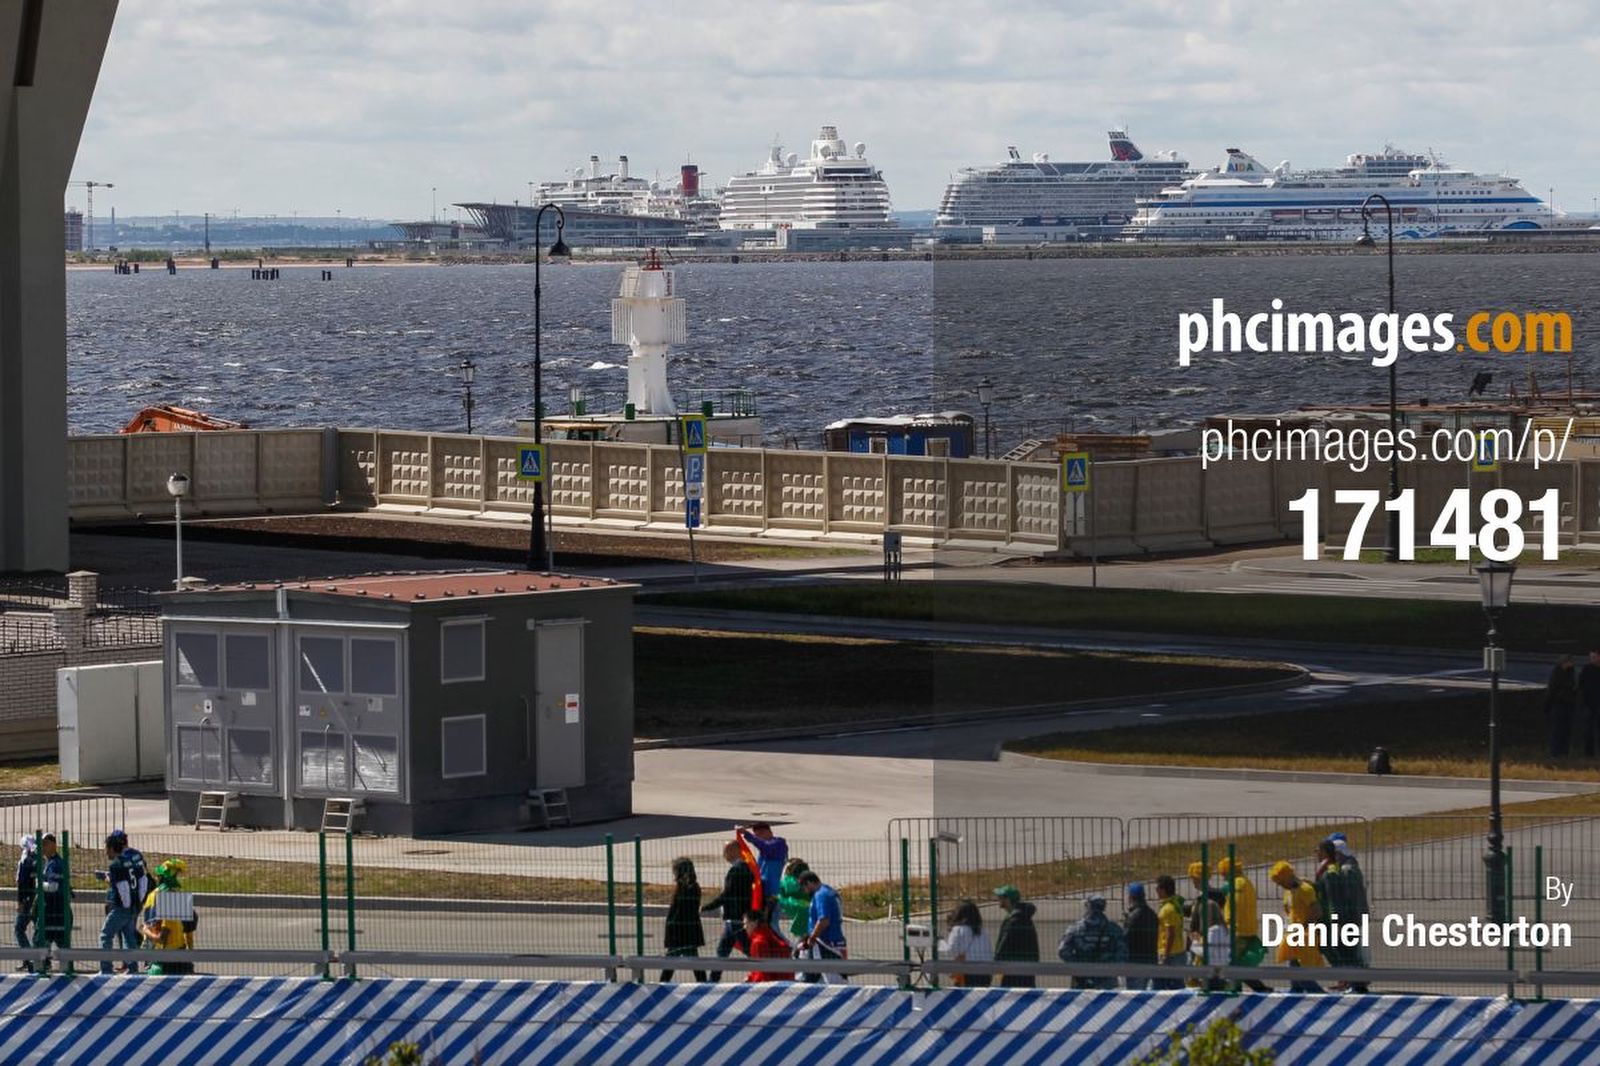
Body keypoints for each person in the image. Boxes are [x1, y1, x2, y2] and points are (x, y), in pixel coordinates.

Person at [1315, 837, 1370, 994]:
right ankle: (1348, 981)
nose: (1316, 853)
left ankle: (1355, 983)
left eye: (1318, 850)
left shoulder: (1332, 872)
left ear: (1325, 852)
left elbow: (1335, 898)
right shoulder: (1330, 869)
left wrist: (1338, 921)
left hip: (1337, 919)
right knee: (1339, 950)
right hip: (1335, 918)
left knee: (1344, 951)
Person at [699, 842, 754, 982]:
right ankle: (713, 980)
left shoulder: (736, 871)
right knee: (723, 951)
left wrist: (707, 907)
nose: (724, 855)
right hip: (735, 919)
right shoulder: (746, 868)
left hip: (736, 918)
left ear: (734, 851)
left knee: (748, 951)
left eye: (726, 851)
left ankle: (765, 975)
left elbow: (727, 895)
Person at [1214, 856, 1270, 992]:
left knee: (1232, 963)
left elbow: (1220, 898)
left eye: (1223, 874)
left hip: (1236, 930)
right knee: (1238, 963)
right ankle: (1258, 988)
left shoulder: (1232, 885)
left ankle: (1240, 989)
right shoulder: (1247, 883)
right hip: (1248, 928)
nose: (1223, 878)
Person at [1268, 860, 1324, 993]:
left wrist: (1301, 929)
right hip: (1292, 934)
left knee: (1300, 968)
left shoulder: (1305, 890)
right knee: (1292, 963)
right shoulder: (1288, 892)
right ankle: (1295, 990)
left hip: (1305, 935)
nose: (1280, 885)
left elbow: (1316, 912)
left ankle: (1318, 994)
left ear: (1287, 877)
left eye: (1280, 882)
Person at [138, 859, 197, 975]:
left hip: (163, 957)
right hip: (180, 953)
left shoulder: (155, 897)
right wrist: (190, 956)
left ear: (161, 878)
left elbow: (158, 935)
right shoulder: (180, 897)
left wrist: (145, 931)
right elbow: (188, 932)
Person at [1057, 895, 1128, 990]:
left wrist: (1078, 966)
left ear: (1088, 906)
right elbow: (1122, 953)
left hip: (1082, 979)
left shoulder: (1076, 928)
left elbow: (1063, 951)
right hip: (1107, 979)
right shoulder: (1114, 929)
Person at [98, 832, 141, 975]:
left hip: (122, 907)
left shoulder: (116, 865)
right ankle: (133, 968)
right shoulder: (129, 861)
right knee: (129, 937)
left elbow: (123, 888)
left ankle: (106, 968)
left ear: (111, 848)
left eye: (106, 848)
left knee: (105, 935)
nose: (105, 852)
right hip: (132, 906)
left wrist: (126, 905)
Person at [661, 857, 706, 982]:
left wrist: (672, 925)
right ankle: (703, 984)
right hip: (684, 933)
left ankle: (662, 985)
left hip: (683, 934)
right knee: (691, 963)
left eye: (675, 870)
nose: (674, 873)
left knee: (673, 962)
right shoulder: (685, 887)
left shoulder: (690, 888)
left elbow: (684, 911)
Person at [797, 871, 847, 984]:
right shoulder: (828, 891)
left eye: (803, 888)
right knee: (810, 977)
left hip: (826, 943)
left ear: (809, 883)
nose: (804, 892)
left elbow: (824, 920)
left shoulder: (821, 895)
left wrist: (812, 937)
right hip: (826, 942)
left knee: (834, 981)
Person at [32, 834, 70, 973]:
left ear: (54, 845)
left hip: (52, 909)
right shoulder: (52, 862)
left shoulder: (54, 864)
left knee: (40, 940)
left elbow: (54, 886)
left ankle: (40, 970)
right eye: (41, 844)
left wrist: (40, 884)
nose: (42, 847)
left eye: (45, 844)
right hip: (57, 908)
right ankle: (63, 969)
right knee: (60, 941)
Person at [736, 823, 788, 922]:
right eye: (757, 835)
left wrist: (747, 834)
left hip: (773, 892)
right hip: (763, 890)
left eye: (761, 833)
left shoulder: (779, 844)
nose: (759, 837)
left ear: (770, 832)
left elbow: (765, 846)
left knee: (771, 923)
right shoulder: (764, 850)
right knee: (763, 923)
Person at [991, 885, 1039, 988]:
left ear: (1008, 900)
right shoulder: (1024, 916)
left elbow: (1004, 945)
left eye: (1000, 897)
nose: (998, 899)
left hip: (1013, 970)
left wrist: (996, 963)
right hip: (1027, 968)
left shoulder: (1014, 920)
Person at [939, 899, 994, 987]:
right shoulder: (983, 932)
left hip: (968, 973)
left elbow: (951, 951)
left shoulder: (958, 929)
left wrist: (940, 942)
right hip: (986, 973)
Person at [738, 908, 794, 982]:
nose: (744, 927)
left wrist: (752, 981)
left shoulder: (759, 942)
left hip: (776, 983)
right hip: (784, 979)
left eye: (746, 923)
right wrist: (750, 977)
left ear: (754, 923)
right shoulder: (767, 934)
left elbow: (763, 974)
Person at [1121, 884, 1158, 990]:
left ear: (1131, 897)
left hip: (1136, 962)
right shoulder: (1152, 914)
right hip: (1151, 959)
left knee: (1135, 994)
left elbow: (1125, 938)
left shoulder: (1133, 917)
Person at [1152, 875, 1186, 990]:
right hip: (1178, 950)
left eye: (1157, 888)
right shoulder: (1176, 904)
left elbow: (1170, 933)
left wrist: (1165, 955)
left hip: (1170, 954)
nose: (1156, 891)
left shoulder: (1167, 909)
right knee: (1177, 985)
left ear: (1163, 890)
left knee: (1168, 987)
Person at [1545, 656, 1577, 758]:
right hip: (1559, 703)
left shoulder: (1570, 672)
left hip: (1567, 703)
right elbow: (1552, 689)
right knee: (1557, 729)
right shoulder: (1558, 673)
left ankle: (1563, 751)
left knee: (1566, 729)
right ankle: (1555, 751)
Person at [14, 837, 36, 973]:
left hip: (27, 900)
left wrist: (20, 902)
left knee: (18, 928)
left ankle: (29, 959)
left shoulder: (24, 861)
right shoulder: (38, 859)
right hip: (37, 899)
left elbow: (21, 883)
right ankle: (43, 960)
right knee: (39, 929)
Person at [1578, 649, 1600, 758]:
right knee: (1588, 729)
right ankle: (1589, 753)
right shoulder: (1587, 669)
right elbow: (1581, 684)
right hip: (1589, 702)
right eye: (1591, 657)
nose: (1592, 659)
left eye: (1594, 657)